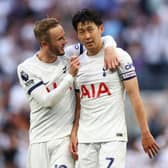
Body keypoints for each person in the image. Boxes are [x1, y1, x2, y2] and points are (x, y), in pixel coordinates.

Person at [17, 17, 119, 168]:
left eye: (64, 36)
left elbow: (103, 39)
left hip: (63, 141)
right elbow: (47, 101)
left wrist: (110, 47)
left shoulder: (68, 54)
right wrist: (70, 76)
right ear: (44, 44)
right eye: (59, 39)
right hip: (39, 141)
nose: (65, 41)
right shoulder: (27, 68)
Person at [70, 9, 160, 168]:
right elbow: (78, 105)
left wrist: (145, 132)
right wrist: (74, 133)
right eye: (81, 31)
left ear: (101, 29)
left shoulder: (119, 56)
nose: (87, 36)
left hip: (112, 137)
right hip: (85, 140)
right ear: (77, 35)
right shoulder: (77, 64)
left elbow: (135, 96)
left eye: (90, 29)